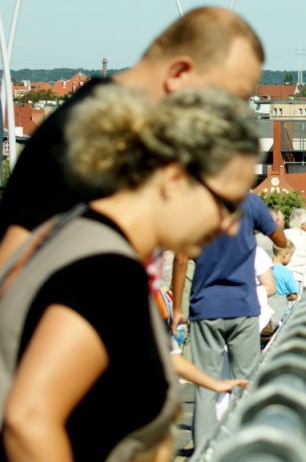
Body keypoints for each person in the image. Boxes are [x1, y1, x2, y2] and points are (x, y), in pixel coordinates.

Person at [0, 86, 260, 462]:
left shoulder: (75, 232)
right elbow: (29, 420)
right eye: (225, 204)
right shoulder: (105, 272)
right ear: (173, 178)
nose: (231, 226)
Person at [0, 6, 264, 267]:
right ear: (179, 73)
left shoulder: (117, 130)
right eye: (228, 97)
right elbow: (12, 265)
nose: (230, 114)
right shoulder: (84, 137)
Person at [170, 190, 286, 450]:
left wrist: (178, 307)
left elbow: (180, 259)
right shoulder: (249, 202)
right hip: (243, 307)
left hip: (205, 308)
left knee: (204, 385)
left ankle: (203, 452)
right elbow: (280, 239)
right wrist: (266, 227)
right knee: (245, 382)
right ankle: (241, 449)